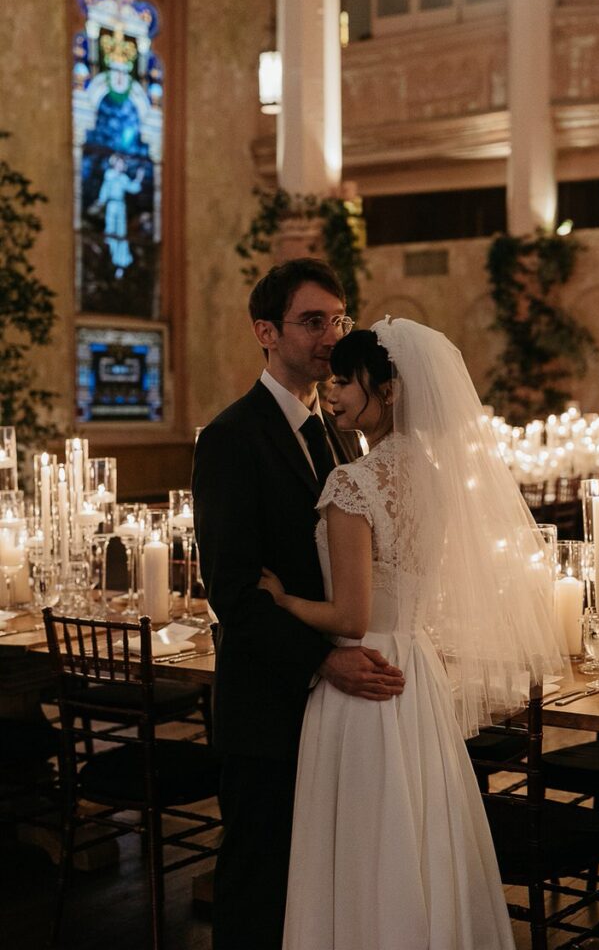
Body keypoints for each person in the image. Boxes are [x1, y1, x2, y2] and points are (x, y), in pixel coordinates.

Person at [258, 318, 564, 950]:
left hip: (361, 676)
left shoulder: (354, 483)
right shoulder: (437, 476)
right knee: (420, 834)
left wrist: (283, 599)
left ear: (389, 389)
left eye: (346, 380)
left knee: (366, 841)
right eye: (333, 378)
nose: (333, 392)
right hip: (416, 671)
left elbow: (350, 617)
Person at [192, 260, 405, 950]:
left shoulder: (341, 430)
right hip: (267, 700)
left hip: (339, 706)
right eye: (313, 320)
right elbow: (232, 595)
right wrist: (323, 661)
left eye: (339, 319)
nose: (331, 336)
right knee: (258, 881)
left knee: (321, 887)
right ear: (265, 331)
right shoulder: (230, 438)